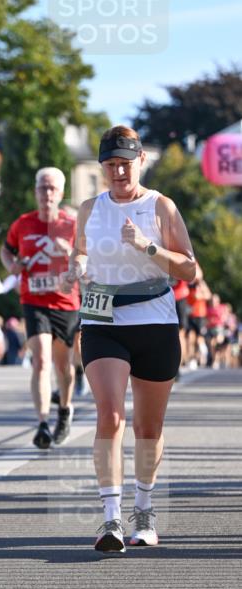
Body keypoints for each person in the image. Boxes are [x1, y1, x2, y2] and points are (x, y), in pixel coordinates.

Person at [61, 126, 196, 553]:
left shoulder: (161, 207)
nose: (118, 172)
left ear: (141, 161)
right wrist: (76, 266)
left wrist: (148, 247)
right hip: (103, 321)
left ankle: (144, 510)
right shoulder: (90, 208)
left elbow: (191, 270)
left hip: (154, 321)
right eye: (110, 165)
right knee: (110, 415)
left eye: (125, 164)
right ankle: (111, 519)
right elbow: (80, 250)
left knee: (148, 427)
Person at [1, 167, 79, 449]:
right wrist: (12, 266)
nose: (47, 193)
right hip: (33, 301)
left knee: (64, 366)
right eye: (42, 188)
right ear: (36, 192)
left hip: (65, 302)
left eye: (52, 188)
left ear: (61, 193)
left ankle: (65, 410)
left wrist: (70, 254)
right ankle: (43, 423)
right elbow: (6, 250)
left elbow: (89, 259)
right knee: (42, 360)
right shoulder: (23, 224)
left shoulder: (72, 225)